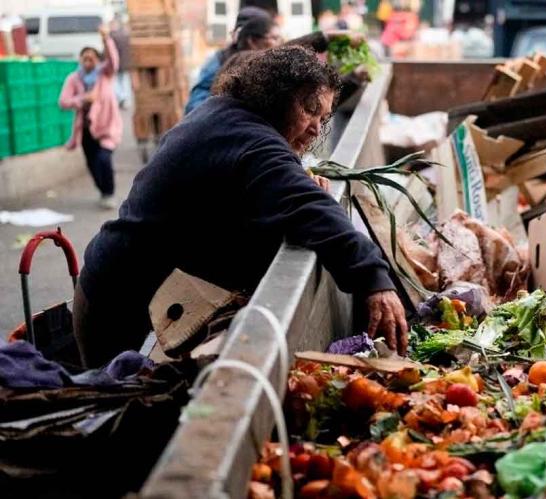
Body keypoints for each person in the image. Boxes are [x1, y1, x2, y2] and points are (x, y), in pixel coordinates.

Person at [73, 45, 408, 368]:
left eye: (323, 116)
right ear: (276, 97)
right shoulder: (251, 140)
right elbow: (310, 209)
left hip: (125, 287)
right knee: (117, 404)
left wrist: (296, 175)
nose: (316, 128)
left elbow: (274, 188)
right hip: (115, 303)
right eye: (309, 109)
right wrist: (374, 279)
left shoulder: (228, 115)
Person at [59, 25, 122, 209]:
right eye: (84, 58)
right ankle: (102, 190)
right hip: (86, 130)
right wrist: (83, 99)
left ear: (97, 60)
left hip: (107, 127)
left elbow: (114, 60)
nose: (88, 62)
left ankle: (109, 193)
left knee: (104, 159)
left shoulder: (105, 74)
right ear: (80, 60)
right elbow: (63, 101)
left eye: (92, 58)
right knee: (92, 164)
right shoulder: (73, 79)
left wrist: (106, 39)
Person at [183, 6, 274, 114]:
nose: (274, 43)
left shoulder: (264, 64)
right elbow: (195, 107)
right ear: (252, 41)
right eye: (272, 38)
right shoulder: (218, 62)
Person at [109, 18, 132, 109]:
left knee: (116, 82)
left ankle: (121, 98)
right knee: (124, 81)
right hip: (126, 63)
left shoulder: (112, 37)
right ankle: (124, 98)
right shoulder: (126, 36)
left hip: (117, 63)